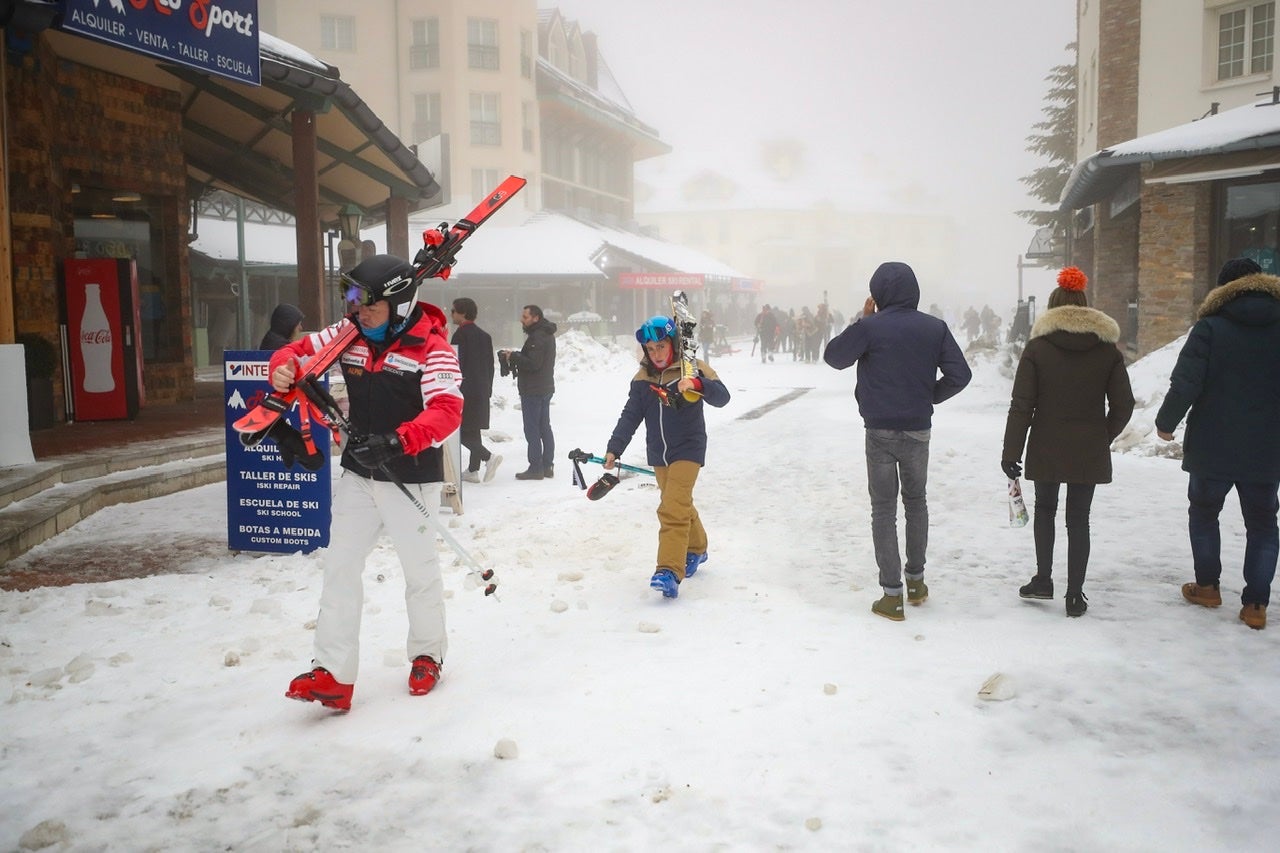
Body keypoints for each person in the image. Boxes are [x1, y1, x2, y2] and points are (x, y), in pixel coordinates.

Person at [274, 254, 463, 711]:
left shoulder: (433, 348)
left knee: (418, 572)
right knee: (340, 566)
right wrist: (279, 366)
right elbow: (298, 351)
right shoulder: (348, 334)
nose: (359, 314)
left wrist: (400, 440)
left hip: (410, 476)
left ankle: (427, 654)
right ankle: (333, 673)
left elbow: (447, 411)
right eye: (354, 305)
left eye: (370, 307)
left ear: (399, 305)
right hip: (359, 472)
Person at [823, 261, 972, 621]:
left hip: (879, 431)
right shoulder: (934, 328)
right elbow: (960, 374)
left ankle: (892, 596)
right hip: (918, 429)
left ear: (878, 293)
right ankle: (917, 583)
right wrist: (930, 396)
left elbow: (834, 357)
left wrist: (862, 319)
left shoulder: (870, 328)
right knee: (916, 502)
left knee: (883, 510)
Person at [1001, 266, 1134, 617]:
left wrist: (1010, 452)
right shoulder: (1107, 350)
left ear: (1053, 306)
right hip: (1087, 447)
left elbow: (1022, 405)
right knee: (1080, 518)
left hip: (1045, 442)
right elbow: (1124, 404)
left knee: (1045, 509)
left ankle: (1043, 580)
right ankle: (1075, 595)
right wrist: (1101, 436)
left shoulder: (1038, 348)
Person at [1156, 257, 1280, 630]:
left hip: (1212, 443)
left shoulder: (1210, 327)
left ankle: (1208, 586)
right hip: (1268, 446)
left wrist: (1166, 422)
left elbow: (1186, 381)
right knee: (1262, 522)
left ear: (1223, 289)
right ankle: (1256, 605)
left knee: (1204, 512)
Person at [604, 315, 731, 598]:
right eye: (650, 349)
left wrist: (698, 386)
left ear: (672, 343)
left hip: (688, 449)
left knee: (672, 507)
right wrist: (615, 447)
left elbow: (723, 397)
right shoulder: (642, 379)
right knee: (679, 502)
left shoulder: (693, 369)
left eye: (661, 346)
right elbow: (630, 416)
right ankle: (697, 548)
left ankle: (669, 571)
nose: (656, 354)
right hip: (659, 454)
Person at [498, 304, 557, 480]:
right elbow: (535, 360)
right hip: (544, 387)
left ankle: (536, 467)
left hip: (533, 389)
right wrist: (516, 355)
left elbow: (533, 364)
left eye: (525, 317)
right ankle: (547, 466)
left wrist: (513, 357)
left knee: (532, 429)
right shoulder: (545, 334)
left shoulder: (537, 337)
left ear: (535, 318)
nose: (521, 320)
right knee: (544, 427)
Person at [450, 297, 502, 484]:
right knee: (474, 430)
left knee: (460, 432)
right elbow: (490, 365)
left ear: (462, 313)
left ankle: (488, 457)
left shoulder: (459, 336)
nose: (451, 314)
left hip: (465, 390)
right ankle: (473, 470)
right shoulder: (484, 336)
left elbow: (456, 365)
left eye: (454, 311)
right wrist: (488, 388)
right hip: (482, 389)